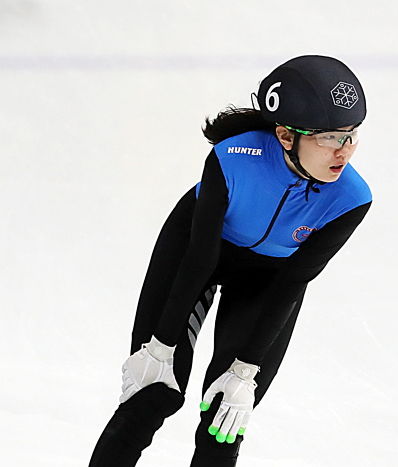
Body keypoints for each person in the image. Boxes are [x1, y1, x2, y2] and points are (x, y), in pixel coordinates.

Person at [88, 55, 372, 467]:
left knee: (225, 418)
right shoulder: (234, 157)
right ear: (285, 135)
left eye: (350, 136)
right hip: (198, 253)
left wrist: (245, 371)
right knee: (148, 395)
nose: (343, 152)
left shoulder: (351, 198)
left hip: (270, 279)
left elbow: (294, 281)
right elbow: (200, 258)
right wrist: (162, 344)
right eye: (328, 137)